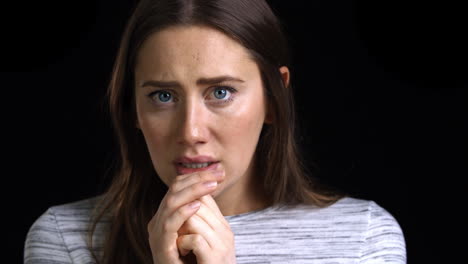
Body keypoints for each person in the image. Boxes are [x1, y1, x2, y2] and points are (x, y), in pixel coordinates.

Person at [24, 0, 406, 263]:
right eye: (162, 95)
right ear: (133, 109)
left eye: (221, 93)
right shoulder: (67, 240)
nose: (190, 131)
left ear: (273, 100)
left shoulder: (362, 239)